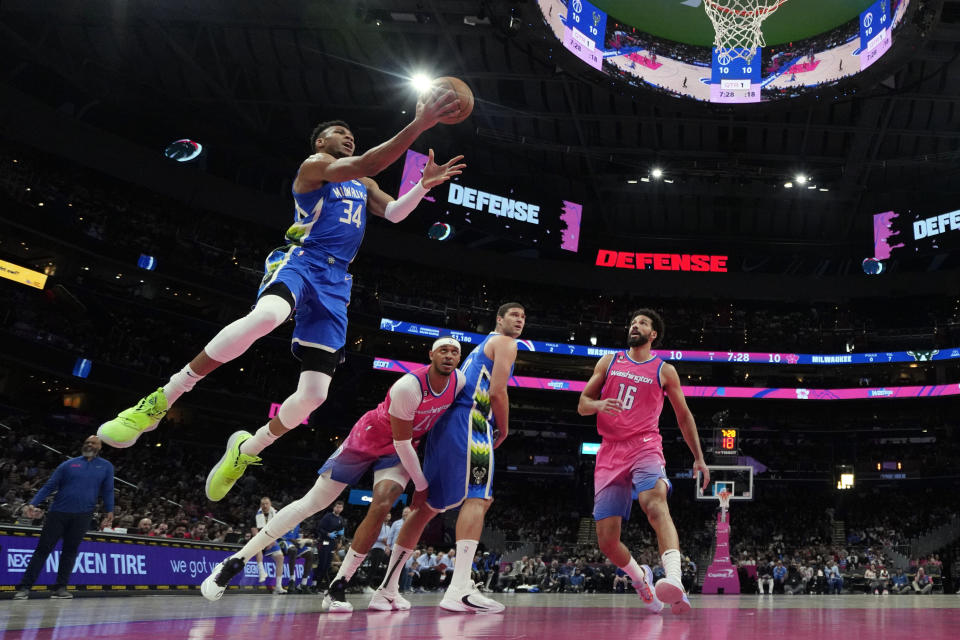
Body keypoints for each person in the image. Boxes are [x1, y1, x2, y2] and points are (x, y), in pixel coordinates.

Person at [98, 89, 466, 504]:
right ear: (320, 143)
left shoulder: (364, 184)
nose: (347, 137)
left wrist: (423, 184)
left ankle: (246, 449)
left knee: (315, 395)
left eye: (350, 134)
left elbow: (397, 212)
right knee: (267, 316)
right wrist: (419, 125)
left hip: (336, 282)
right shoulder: (316, 167)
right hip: (303, 261)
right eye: (338, 133)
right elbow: (366, 161)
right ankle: (162, 398)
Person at [200, 338, 465, 609]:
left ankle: (338, 586)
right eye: (443, 350)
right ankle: (234, 563)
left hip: (397, 452)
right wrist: (421, 486)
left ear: (459, 358)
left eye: (454, 352)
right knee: (313, 503)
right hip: (371, 438)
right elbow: (402, 442)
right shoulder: (409, 386)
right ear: (431, 354)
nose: (448, 355)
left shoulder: (460, 382)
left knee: (382, 505)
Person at [372, 303, 526, 613]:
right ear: (498, 320)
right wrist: (504, 428)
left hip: (446, 425)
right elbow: (497, 392)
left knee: (429, 507)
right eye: (514, 315)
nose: (520, 321)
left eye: (524, 317)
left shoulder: (480, 348)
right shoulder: (506, 343)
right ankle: (459, 588)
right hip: (472, 422)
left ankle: (386, 588)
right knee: (478, 499)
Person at [577, 308, 710, 615]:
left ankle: (674, 579)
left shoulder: (664, 370)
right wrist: (598, 404)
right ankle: (641, 579)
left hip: (645, 445)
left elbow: (683, 416)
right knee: (608, 542)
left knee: (654, 503)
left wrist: (699, 458)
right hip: (610, 451)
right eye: (633, 321)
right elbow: (583, 405)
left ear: (653, 335)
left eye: (642, 324)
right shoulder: (609, 361)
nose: (634, 325)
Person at [13, 436, 114, 600]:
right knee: (43, 549)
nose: (89, 444)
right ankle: (24, 587)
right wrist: (34, 503)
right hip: (58, 513)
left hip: (83, 515)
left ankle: (60, 588)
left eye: (93, 443)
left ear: (100, 447)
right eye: (86, 442)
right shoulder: (68, 464)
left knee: (70, 551)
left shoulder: (106, 467)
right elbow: (50, 485)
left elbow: (108, 490)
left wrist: (110, 510)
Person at [254, 497, 287, 594]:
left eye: (266, 504)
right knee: (256, 545)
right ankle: (261, 572)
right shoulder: (257, 515)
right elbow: (257, 531)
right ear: (260, 505)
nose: (264, 506)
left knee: (280, 557)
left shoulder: (275, 514)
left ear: (270, 504)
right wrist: (265, 542)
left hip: (272, 540)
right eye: (263, 504)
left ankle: (278, 586)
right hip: (260, 539)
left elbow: (278, 530)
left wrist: (271, 541)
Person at [279, 523, 316, 593]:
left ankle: (303, 584)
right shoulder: (285, 519)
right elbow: (281, 536)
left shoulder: (298, 522)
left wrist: (304, 541)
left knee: (310, 554)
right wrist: (294, 541)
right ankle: (291, 580)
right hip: (283, 541)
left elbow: (297, 536)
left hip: (294, 543)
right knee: (294, 550)